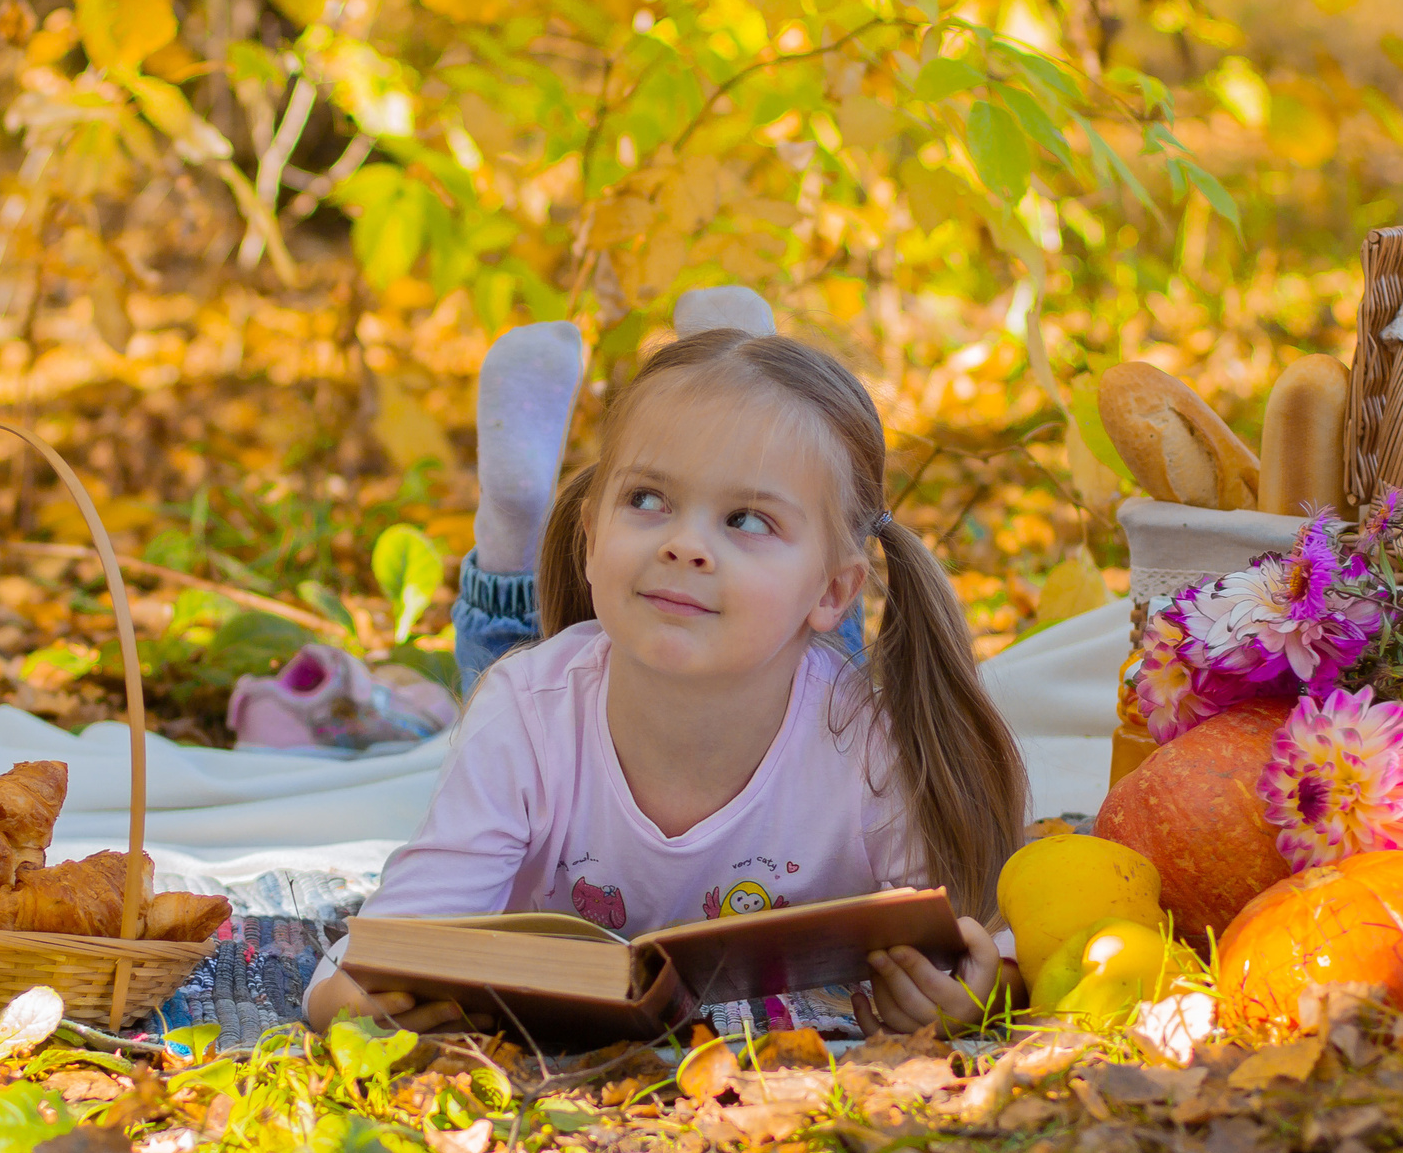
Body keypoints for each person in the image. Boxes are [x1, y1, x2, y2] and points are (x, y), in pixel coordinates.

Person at [300, 288, 1029, 1037]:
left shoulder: (870, 748)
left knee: (796, 637)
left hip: (802, 658)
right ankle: (514, 529)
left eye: (746, 517)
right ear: (590, 534)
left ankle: (740, 380)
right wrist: (349, 998)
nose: (685, 543)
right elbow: (385, 944)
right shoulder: (524, 709)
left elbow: (979, 937)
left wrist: (971, 988)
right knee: (510, 659)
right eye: (648, 498)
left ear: (839, 587)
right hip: (580, 671)